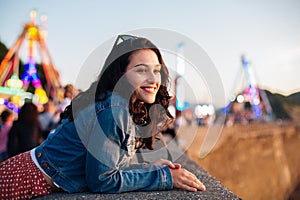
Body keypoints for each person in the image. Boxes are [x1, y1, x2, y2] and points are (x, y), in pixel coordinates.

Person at [0, 35, 206, 199]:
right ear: (120, 74)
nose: (153, 79)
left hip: (23, 172)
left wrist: (148, 168)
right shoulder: (114, 109)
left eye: (156, 70)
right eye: (141, 70)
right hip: (22, 181)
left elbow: (107, 164)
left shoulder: (116, 103)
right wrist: (165, 178)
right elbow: (102, 180)